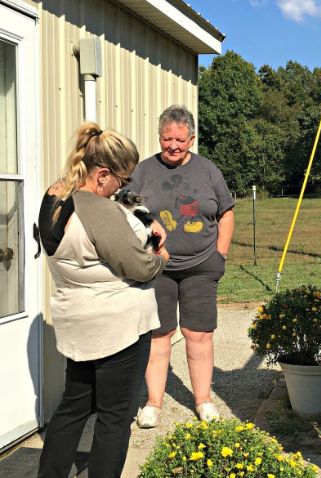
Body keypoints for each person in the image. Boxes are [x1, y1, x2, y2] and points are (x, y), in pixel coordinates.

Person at [37, 122, 169, 478]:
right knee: (115, 417)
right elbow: (140, 267)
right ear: (102, 174)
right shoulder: (99, 210)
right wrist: (160, 255)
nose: (122, 189)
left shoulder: (56, 194)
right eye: (121, 181)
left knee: (73, 409)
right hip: (117, 327)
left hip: (77, 323)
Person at [129, 105, 235, 427]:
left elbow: (226, 212)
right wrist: (148, 225)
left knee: (199, 334)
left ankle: (203, 400)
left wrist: (221, 255)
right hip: (158, 267)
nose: (172, 146)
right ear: (159, 137)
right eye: (166, 139)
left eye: (179, 139)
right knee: (159, 335)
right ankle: (153, 404)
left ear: (191, 138)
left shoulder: (207, 170)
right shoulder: (144, 171)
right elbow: (128, 206)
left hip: (202, 264)